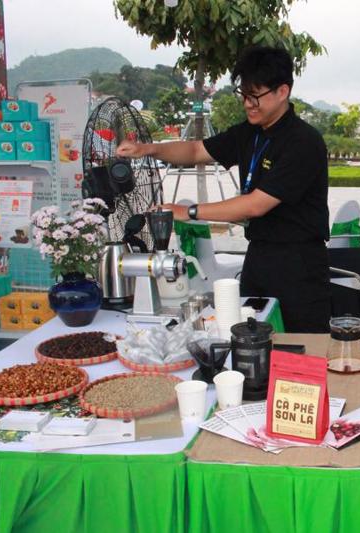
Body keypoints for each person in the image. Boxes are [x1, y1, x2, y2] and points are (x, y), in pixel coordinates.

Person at [116, 46, 330, 333]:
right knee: (248, 342)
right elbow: (194, 150)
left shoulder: (303, 141)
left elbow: (255, 205)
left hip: (298, 265)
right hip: (259, 256)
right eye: (243, 95)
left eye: (256, 96)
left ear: (283, 91)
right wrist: (148, 148)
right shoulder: (250, 133)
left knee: (298, 351)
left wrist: (188, 211)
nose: (248, 104)